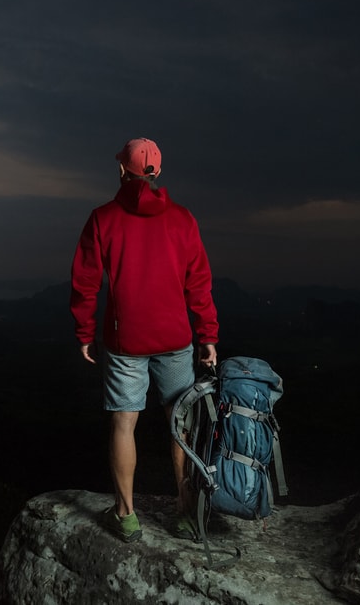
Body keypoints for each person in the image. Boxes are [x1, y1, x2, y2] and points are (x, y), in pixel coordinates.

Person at [70, 137, 218, 543]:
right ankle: (187, 514)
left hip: (124, 341)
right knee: (180, 424)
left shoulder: (102, 218)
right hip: (176, 337)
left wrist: (85, 332)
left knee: (124, 422)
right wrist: (207, 335)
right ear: (157, 172)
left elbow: (84, 284)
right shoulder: (183, 219)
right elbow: (199, 284)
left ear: (122, 170)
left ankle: (126, 516)